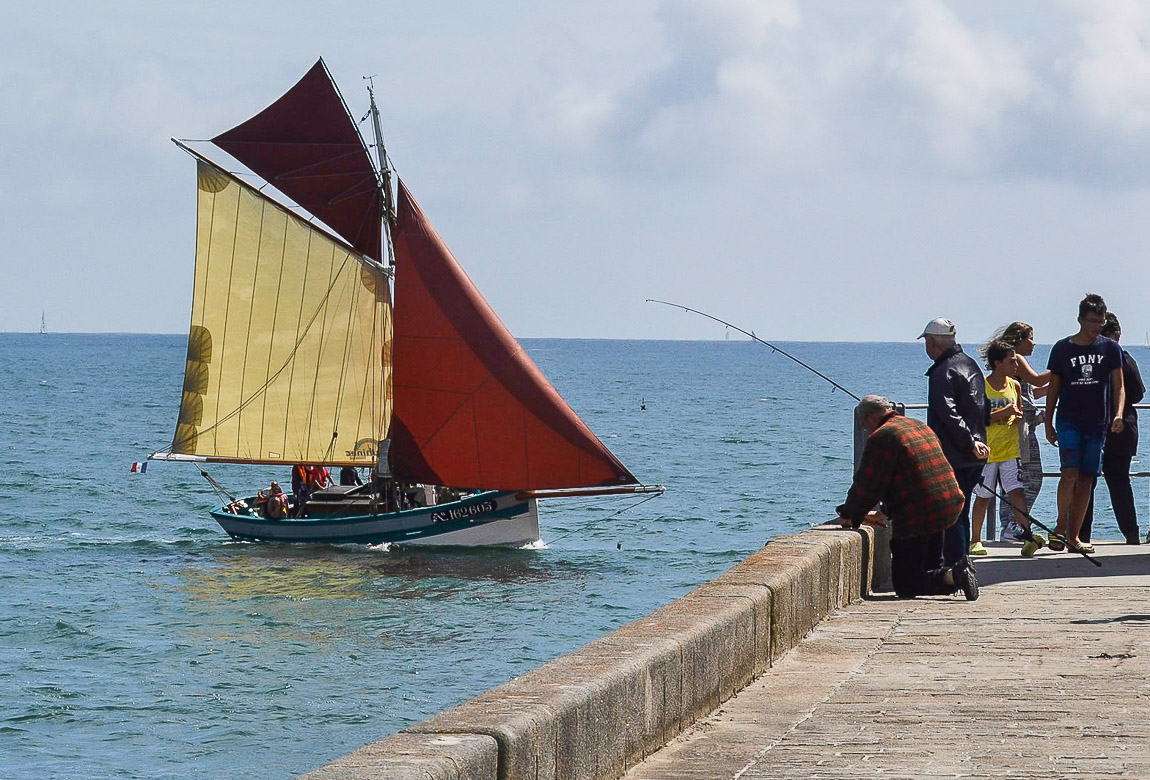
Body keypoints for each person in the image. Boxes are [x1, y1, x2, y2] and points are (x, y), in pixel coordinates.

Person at [837, 395, 978, 601]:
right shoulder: (918, 426)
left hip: (919, 513)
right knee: (930, 567)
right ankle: (952, 575)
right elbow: (914, 477)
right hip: (947, 503)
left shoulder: (882, 436)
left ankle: (956, 574)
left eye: (864, 422)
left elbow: (867, 485)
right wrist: (884, 513)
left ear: (872, 416)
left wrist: (851, 514)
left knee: (905, 585)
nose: (864, 427)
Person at [1045, 293, 1125, 554]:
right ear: (1080, 320)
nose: (1096, 327)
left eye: (1101, 322)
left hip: (1097, 423)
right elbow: (1053, 388)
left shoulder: (1110, 349)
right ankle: (1059, 527)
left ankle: (1075, 535)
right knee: (1069, 472)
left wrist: (1118, 414)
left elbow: (1119, 387)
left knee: (1087, 478)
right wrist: (1048, 422)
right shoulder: (1062, 348)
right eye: (1092, 321)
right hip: (1069, 420)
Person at [920, 317, 990, 568]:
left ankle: (956, 566)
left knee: (950, 511)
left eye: (927, 342)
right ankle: (958, 564)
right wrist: (977, 441)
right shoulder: (970, 365)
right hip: (976, 453)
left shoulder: (942, 372)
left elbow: (948, 414)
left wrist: (969, 442)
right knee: (961, 508)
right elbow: (985, 407)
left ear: (933, 342)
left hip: (955, 453)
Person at [969, 340, 1047, 558]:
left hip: (1011, 450)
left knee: (1017, 493)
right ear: (997, 363)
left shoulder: (1016, 385)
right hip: (988, 451)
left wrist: (1016, 415)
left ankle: (1027, 536)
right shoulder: (981, 386)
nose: (1016, 365)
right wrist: (1001, 413)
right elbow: (976, 418)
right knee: (984, 496)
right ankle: (975, 539)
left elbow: (1018, 411)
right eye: (1011, 361)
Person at [1081, 313, 1145, 545]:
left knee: (1087, 481)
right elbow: (1137, 393)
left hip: (1092, 427)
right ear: (1117, 333)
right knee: (1120, 482)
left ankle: (1081, 534)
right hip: (1123, 428)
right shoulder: (1126, 360)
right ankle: (1131, 534)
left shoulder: (1088, 361)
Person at [994, 322, 1049, 540]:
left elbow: (1030, 392)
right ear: (1019, 339)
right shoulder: (1017, 358)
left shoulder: (1012, 366)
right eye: (1030, 338)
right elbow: (1035, 379)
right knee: (1031, 479)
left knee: (1014, 481)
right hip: (1020, 431)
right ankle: (1013, 525)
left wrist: (1050, 390)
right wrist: (1062, 368)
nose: (1034, 343)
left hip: (1022, 427)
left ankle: (1010, 526)